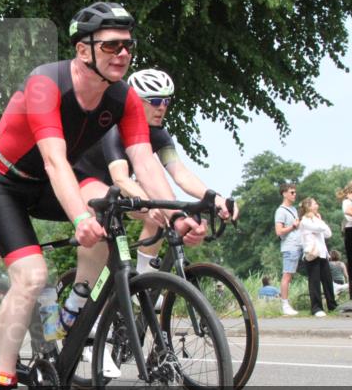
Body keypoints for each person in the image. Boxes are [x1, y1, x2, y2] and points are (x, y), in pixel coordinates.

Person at [0, 2, 207, 390]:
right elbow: (56, 161)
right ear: (83, 50)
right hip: (2, 178)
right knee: (31, 276)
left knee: (108, 215)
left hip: (50, 181)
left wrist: (175, 217)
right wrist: (79, 219)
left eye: (128, 46)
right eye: (112, 45)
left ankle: (74, 306)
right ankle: (4, 385)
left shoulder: (124, 99)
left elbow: (146, 163)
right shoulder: (46, 84)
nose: (123, 54)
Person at [73, 68, 238, 278]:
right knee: (110, 224)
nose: (162, 108)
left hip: (115, 186)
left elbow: (181, 175)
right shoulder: (114, 126)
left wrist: (217, 199)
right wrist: (150, 203)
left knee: (162, 213)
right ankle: (77, 300)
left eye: (167, 102)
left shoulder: (158, 133)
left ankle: (145, 279)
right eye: (154, 101)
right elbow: (120, 178)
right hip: (85, 180)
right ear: (135, 100)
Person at [298, 197, 337, 317]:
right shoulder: (304, 221)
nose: (317, 205)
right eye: (315, 203)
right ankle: (316, 307)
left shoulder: (316, 219)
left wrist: (320, 221)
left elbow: (328, 233)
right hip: (312, 254)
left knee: (327, 280)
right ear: (309, 206)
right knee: (314, 281)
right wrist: (320, 224)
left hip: (322, 253)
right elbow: (319, 228)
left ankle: (332, 305)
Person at [274, 183, 302, 316]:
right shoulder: (281, 211)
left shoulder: (294, 209)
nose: (294, 194)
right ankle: (285, 304)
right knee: (287, 275)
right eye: (292, 192)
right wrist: (293, 226)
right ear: (284, 193)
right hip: (290, 246)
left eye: (295, 192)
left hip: (298, 245)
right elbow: (279, 231)